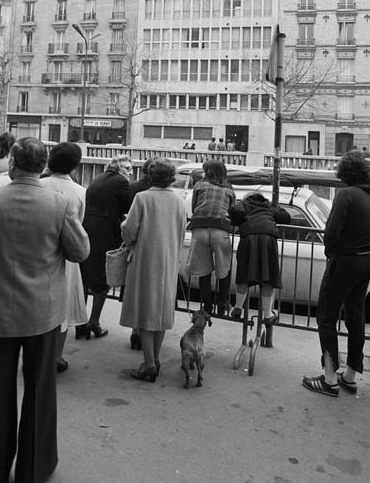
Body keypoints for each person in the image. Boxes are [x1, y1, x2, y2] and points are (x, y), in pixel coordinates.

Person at [0, 137, 89, 483]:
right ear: (42, 164)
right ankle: (34, 468)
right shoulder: (60, 204)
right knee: (40, 391)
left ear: (13, 162)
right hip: (43, 312)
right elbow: (80, 252)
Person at [302, 151, 370, 398]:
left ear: (345, 172)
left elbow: (331, 233)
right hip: (366, 259)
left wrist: (332, 252)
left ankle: (329, 379)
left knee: (326, 317)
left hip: (344, 261)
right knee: (355, 317)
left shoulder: (345, 195)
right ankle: (349, 375)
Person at [120, 158, 187, 382]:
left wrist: (127, 236)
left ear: (150, 176)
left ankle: (149, 363)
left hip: (145, 259)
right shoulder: (178, 200)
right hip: (168, 260)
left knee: (145, 310)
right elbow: (181, 229)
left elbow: (129, 230)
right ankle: (155, 359)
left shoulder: (143, 198)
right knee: (161, 310)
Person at [39, 142, 88, 372]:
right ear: (74, 166)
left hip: (38, 251)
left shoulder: (39, 185)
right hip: (66, 255)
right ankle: (56, 356)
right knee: (63, 309)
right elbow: (79, 223)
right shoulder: (79, 192)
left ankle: (37, 353)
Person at [79, 154, 132, 339]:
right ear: (117, 167)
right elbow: (128, 207)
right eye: (127, 168)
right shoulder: (121, 182)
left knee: (85, 276)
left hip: (88, 228)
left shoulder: (98, 178)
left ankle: (80, 322)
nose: (130, 172)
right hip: (106, 231)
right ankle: (94, 322)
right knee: (104, 277)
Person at [229, 193, 290, 325]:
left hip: (248, 239)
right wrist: (276, 207)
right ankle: (268, 315)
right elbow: (286, 217)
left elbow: (234, 212)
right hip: (268, 239)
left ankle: (238, 309)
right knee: (267, 277)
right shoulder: (268, 207)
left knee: (244, 274)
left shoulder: (244, 205)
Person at [186, 160, 236, 316]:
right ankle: (222, 304)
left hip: (200, 228)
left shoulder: (199, 185)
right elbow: (231, 209)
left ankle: (207, 306)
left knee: (203, 270)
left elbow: (194, 207)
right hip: (220, 230)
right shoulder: (228, 188)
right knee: (224, 269)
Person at [127, 158, 153, 350]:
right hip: (158, 250)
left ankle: (136, 330)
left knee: (136, 289)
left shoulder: (134, 189)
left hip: (137, 246)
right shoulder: (173, 197)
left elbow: (129, 224)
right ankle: (149, 333)